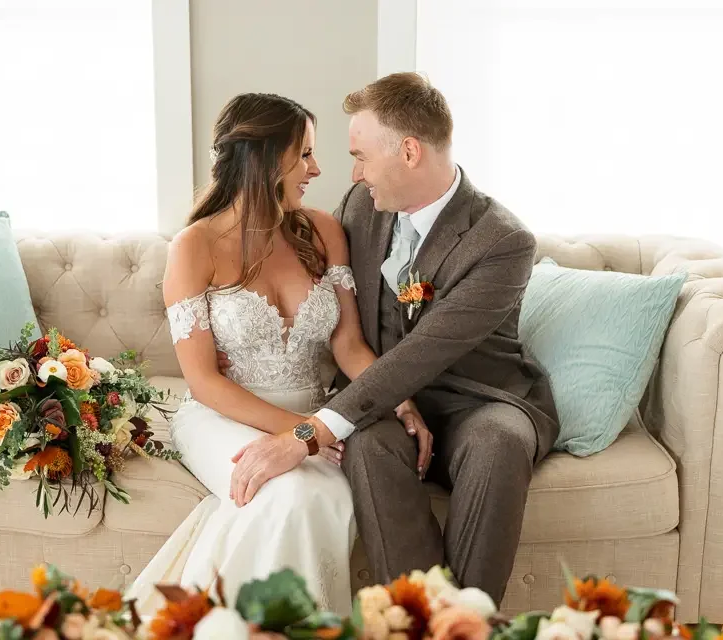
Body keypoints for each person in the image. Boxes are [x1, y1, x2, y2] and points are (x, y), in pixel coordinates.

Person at [225, 73, 560, 605]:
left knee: (498, 443)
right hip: (385, 401)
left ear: (409, 151)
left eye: (361, 156)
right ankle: (415, 616)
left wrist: (305, 435)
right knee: (366, 444)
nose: (353, 172)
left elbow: (424, 352)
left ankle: (466, 624)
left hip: (481, 398)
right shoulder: (361, 204)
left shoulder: (502, 240)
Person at [126, 92, 424, 616]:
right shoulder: (193, 247)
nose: (317, 168)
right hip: (225, 415)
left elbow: (350, 346)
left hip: (317, 412)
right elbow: (202, 382)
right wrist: (300, 430)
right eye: (304, 153)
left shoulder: (323, 231)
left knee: (325, 497)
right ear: (265, 158)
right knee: (288, 496)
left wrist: (402, 404)